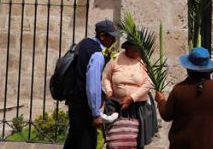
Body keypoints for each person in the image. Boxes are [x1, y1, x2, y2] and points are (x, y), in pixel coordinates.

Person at [155, 47, 213, 149]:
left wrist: (161, 100)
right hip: (211, 143)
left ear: (188, 68)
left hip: (183, 144)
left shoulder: (179, 89)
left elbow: (167, 115)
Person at [64, 19, 120, 149]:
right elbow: (92, 86)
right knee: (87, 143)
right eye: (112, 37)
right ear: (102, 36)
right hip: (85, 107)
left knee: (73, 141)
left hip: (74, 102)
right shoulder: (97, 54)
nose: (114, 41)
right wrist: (95, 114)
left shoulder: (84, 43)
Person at [101, 41, 157, 149]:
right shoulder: (116, 59)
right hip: (116, 104)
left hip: (137, 105)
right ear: (127, 48)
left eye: (139, 49)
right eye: (134, 49)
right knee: (117, 138)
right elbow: (107, 77)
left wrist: (132, 98)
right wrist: (109, 90)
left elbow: (148, 83)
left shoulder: (143, 61)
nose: (137, 52)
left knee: (135, 139)